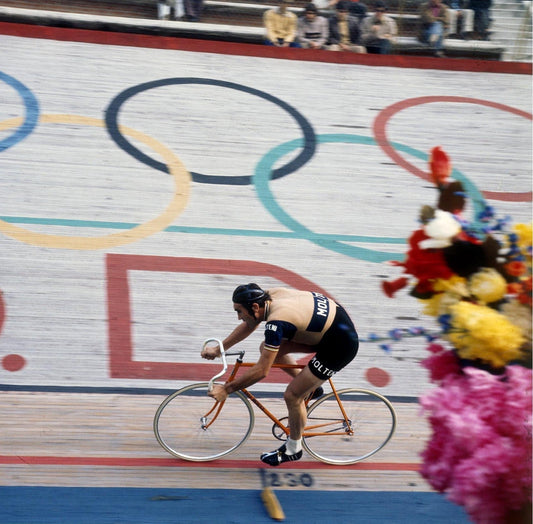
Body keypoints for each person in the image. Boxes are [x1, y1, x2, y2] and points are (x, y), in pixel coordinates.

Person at [201, 283, 359, 466]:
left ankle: (294, 448)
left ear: (254, 307)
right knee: (265, 348)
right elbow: (251, 322)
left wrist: (227, 389)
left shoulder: (277, 322)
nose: (239, 318)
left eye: (239, 311)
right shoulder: (268, 296)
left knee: (292, 395)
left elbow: (262, 371)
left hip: (340, 346)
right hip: (328, 328)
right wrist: (220, 349)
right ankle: (310, 390)